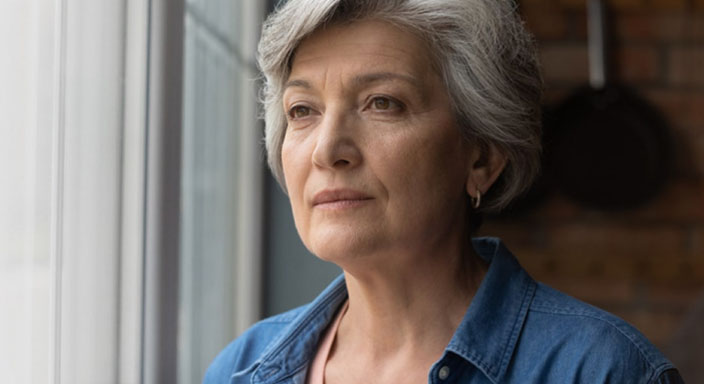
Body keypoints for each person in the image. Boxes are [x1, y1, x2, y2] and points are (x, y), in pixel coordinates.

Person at [205, 0, 684, 383]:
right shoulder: (240, 369)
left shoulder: (602, 370)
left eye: (382, 103)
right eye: (302, 110)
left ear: (480, 157)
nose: (328, 150)